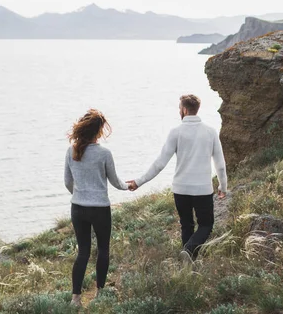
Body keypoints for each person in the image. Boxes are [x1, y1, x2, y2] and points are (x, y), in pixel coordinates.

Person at [127, 94, 228, 261]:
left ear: (184, 109)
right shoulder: (210, 132)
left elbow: (160, 163)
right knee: (206, 225)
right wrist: (222, 187)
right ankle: (189, 252)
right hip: (202, 189)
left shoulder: (176, 132)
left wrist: (139, 182)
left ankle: (188, 261)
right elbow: (220, 164)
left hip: (181, 189)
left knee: (186, 225)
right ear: (197, 109)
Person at [64, 109, 128, 307]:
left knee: (83, 251)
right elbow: (116, 182)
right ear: (99, 131)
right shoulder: (104, 154)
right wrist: (129, 186)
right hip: (99, 208)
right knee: (103, 249)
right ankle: (99, 293)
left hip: (78, 208)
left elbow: (68, 182)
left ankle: (75, 298)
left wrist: (80, 194)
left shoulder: (71, 151)